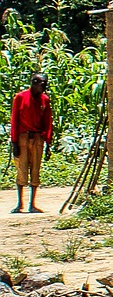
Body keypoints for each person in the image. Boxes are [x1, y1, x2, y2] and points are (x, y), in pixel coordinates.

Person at [10, 73, 53, 213]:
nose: (44, 87)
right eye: (42, 84)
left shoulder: (45, 100)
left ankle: (32, 204)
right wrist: (14, 142)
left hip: (38, 138)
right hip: (23, 137)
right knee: (22, 169)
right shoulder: (21, 97)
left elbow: (48, 123)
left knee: (35, 170)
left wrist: (48, 143)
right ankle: (19, 203)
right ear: (34, 83)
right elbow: (14, 120)